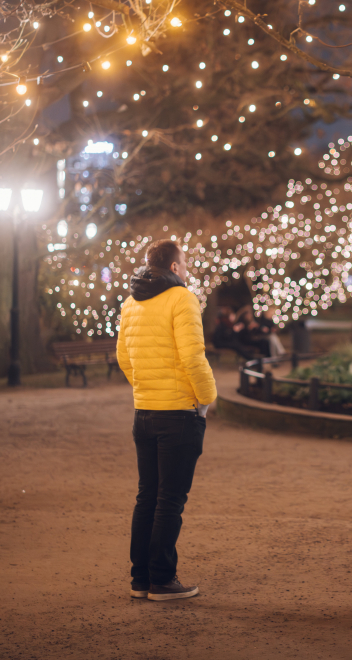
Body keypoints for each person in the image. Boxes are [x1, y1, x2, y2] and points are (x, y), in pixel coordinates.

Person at [117, 239, 217, 602]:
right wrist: (206, 398)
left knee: (148, 497)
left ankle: (140, 578)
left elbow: (124, 358)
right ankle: (162, 578)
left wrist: (146, 387)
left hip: (143, 412)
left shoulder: (131, 303)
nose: (187, 269)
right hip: (178, 413)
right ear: (174, 267)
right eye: (185, 263)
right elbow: (193, 356)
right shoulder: (182, 299)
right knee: (169, 500)